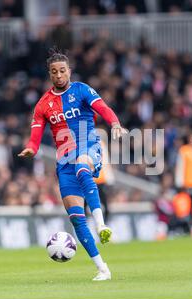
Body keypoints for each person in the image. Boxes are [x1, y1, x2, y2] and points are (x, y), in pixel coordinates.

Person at [18, 49, 127, 281]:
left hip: (89, 147)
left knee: (82, 166)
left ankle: (101, 225)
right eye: (54, 72)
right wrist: (32, 148)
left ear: (69, 71)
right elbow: (36, 131)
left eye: (62, 70)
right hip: (63, 160)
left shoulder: (82, 90)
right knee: (76, 218)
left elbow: (103, 108)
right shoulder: (43, 104)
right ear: (49, 74)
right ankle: (102, 269)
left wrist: (115, 124)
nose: (59, 75)